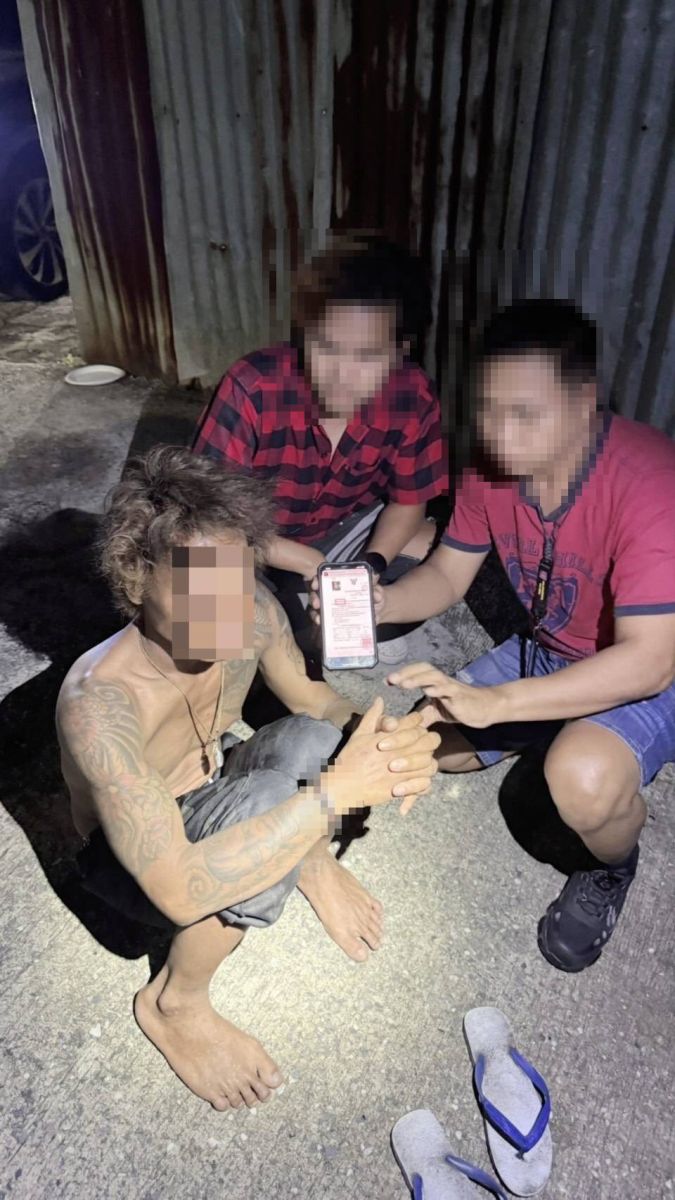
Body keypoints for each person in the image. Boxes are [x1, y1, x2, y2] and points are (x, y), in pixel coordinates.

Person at [56, 447, 439, 1110]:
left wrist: (387, 743)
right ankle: (174, 1002)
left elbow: (314, 701)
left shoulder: (252, 611)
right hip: (135, 860)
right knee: (274, 802)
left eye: (235, 582)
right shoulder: (102, 705)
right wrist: (336, 794)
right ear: (136, 577)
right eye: (198, 589)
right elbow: (177, 888)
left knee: (317, 739)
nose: (227, 613)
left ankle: (305, 857)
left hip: (213, 771)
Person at [314, 299, 675, 973]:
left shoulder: (651, 482)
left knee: (582, 778)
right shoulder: (488, 469)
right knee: (415, 743)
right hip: (547, 651)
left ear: (584, 402)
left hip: (647, 672)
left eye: (524, 414)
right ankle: (546, 726)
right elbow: (448, 575)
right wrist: (378, 603)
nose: (500, 435)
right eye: (486, 409)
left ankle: (611, 865)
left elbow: (651, 662)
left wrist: (499, 703)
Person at [191, 231, 448, 663]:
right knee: (200, 593)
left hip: (337, 536)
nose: (342, 376)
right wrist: (310, 564)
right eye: (326, 348)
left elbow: (409, 502)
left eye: (367, 356)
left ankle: (294, 627)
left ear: (400, 350)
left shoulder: (413, 396)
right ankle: (273, 629)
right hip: (244, 539)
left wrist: (368, 568)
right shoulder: (253, 386)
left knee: (431, 547)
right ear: (304, 333)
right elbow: (206, 516)